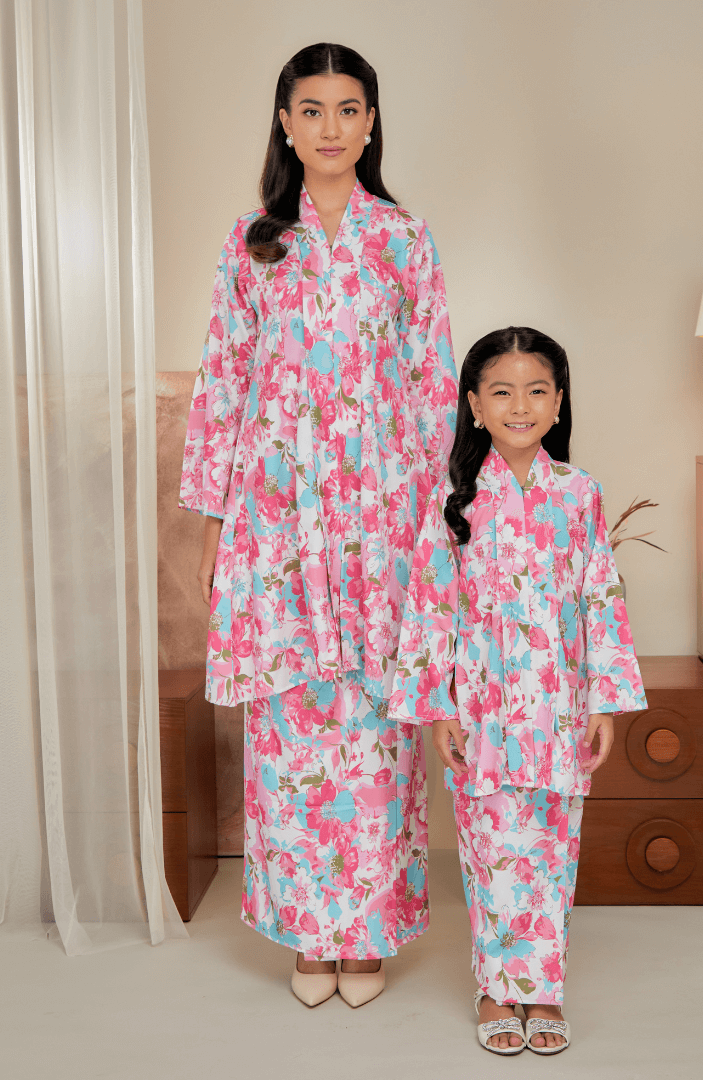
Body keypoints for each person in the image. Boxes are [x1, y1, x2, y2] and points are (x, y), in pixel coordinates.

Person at [180, 42, 458, 1008]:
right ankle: (309, 930)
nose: (331, 127)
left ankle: (367, 932)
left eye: (348, 109)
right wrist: (215, 528)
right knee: (291, 724)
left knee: (379, 720)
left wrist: (438, 525)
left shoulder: (405, 240)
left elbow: (434, 386)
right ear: (286, 123)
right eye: (312, 109)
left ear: (371, 123)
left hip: (383, 513)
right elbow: (222, 384)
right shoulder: (253, 241)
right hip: (277, 516)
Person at [389, 327, 646, 1053]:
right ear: (474, 406)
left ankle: (545, 989)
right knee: (491, 848)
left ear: (559, 402)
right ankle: (496, 989)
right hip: (482, 710)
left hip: (559, 707)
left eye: (537, 391)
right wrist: (437, 707)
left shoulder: (580, 494)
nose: (521, 406)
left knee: (553, 848)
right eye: (501, 392)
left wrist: (604, 702)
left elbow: (601, 597)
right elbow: (431, 607)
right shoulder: (454, 499)